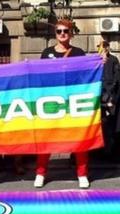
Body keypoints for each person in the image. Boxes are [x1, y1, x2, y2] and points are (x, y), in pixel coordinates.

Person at [36, 19, 89, 189]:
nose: (62, 34)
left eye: (66, 31)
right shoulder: (46, 53)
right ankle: (40, 173)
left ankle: (82, 174)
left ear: (71, 33)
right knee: (47, 138)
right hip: (52, 102)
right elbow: (41, 77)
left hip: (73, 102)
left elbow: (86, 75)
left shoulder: (79, 53)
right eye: (59, 31)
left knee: (79, 137)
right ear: (55, 34)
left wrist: (99, 63)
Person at [98, 40, 120, 156]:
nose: (103, 49)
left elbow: (116, 78)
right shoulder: (96, 60)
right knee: (101, 124)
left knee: (111, 123)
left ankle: (110, 150)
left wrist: (111, 96)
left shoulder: (113, 60)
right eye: (101, 46)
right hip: (99, 96)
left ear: (107, 48)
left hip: (110, 96)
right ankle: (101, 149)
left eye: (104, 47)